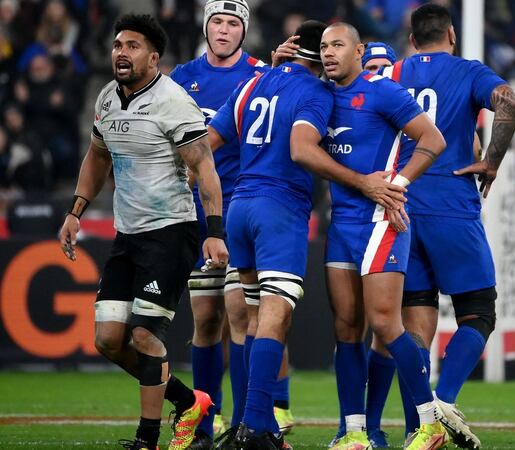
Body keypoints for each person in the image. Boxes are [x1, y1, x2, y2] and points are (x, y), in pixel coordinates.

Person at [206, 20, 408, 450]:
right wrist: (363, 181)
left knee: (249, 321)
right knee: (275, 317)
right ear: (319, 52)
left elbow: (205, 143)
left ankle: (241, 424)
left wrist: (209, 210)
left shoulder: (251, 84)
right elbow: (301, 149)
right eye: (329, 47)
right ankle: (257, 429)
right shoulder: (315, 92)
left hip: (239, 204)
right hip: (279, 209)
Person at [57, 14, 228, 450]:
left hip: (172, 232)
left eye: (132, 46)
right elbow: (97, 157)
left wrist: (214, 230)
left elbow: (204, 166)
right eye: (117, 45)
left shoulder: (173, 101)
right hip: (129, 234)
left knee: (145, 335)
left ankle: (147, 438)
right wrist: (76, 211)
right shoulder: (107, 100)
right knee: (108, 341)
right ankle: (190, 402)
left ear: (153, 58)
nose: (120, 53)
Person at [380, 4, 515, 449]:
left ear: (413, 37)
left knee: (415, 325)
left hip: (400, 205)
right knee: (479, 311)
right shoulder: (468, 71)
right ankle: (443, 399)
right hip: (451, 203)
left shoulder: (392, 73)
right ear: (452, 35)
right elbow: (509, 103)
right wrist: (492, 160)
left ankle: (420, 431)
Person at [319, 22, 449, 450]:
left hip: (381, 220)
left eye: (338, 45)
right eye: (323, 46)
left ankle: (429, 422)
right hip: (341, 224)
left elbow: (433, 139)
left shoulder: (382, 91)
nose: (329, 52)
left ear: (357, 51)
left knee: (384, 324)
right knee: (346, 329)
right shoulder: (317, 95)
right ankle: (354, 431)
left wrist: (400, 184)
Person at [169, 1, 272, 446]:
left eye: (233, 23)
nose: (225, 30)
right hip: (195, 210)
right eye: (218, 22)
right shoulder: (181, 77)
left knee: (241, 314)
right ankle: (204, 426)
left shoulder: (261, 73)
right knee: (206, 318)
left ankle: (246, 424)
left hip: (241, 206)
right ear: (206, 26)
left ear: (243, 31)